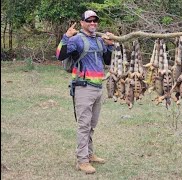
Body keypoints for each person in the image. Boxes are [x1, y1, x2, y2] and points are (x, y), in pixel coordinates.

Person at [56, 10, 114, 174]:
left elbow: (107, 60)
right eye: (89, 21)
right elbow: (60, 55)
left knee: (92, 125)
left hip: (97, 88)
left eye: (95, 21)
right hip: (83, 87)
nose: (93, 23)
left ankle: (89, 154)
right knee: (84, 125)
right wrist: (66, 37)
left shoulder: (99, 40)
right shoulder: (76, 40)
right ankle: (82, 161)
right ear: (82, 23)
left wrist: (110, 45)